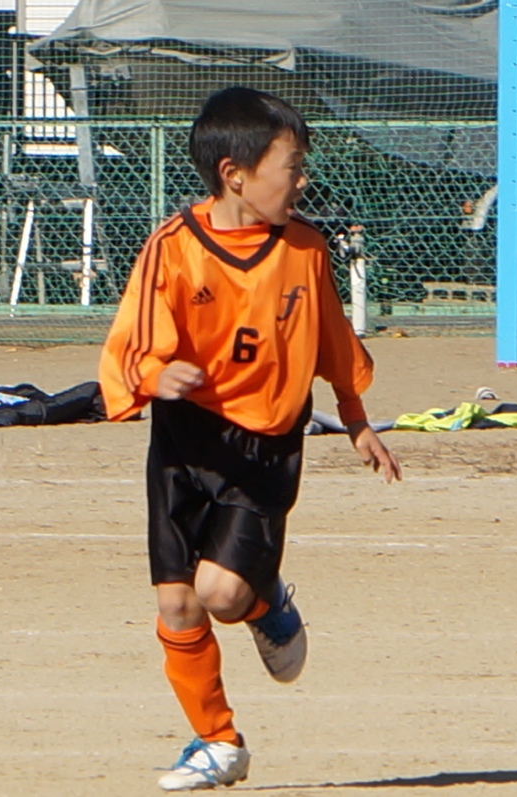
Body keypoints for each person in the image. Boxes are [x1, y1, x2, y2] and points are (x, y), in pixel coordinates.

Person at [98, 86, 401, 791]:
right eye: (291, 166)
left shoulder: (304, 248)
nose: (303, 181)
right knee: (177, 603)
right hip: (186, 442)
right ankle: (218, 741)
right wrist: (154, 373)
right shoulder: (173, 246)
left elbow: (331, 335)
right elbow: (132, 341)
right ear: (234, 173)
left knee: (223, 593)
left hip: (266, 442)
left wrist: (355, 417)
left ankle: (267, 607)